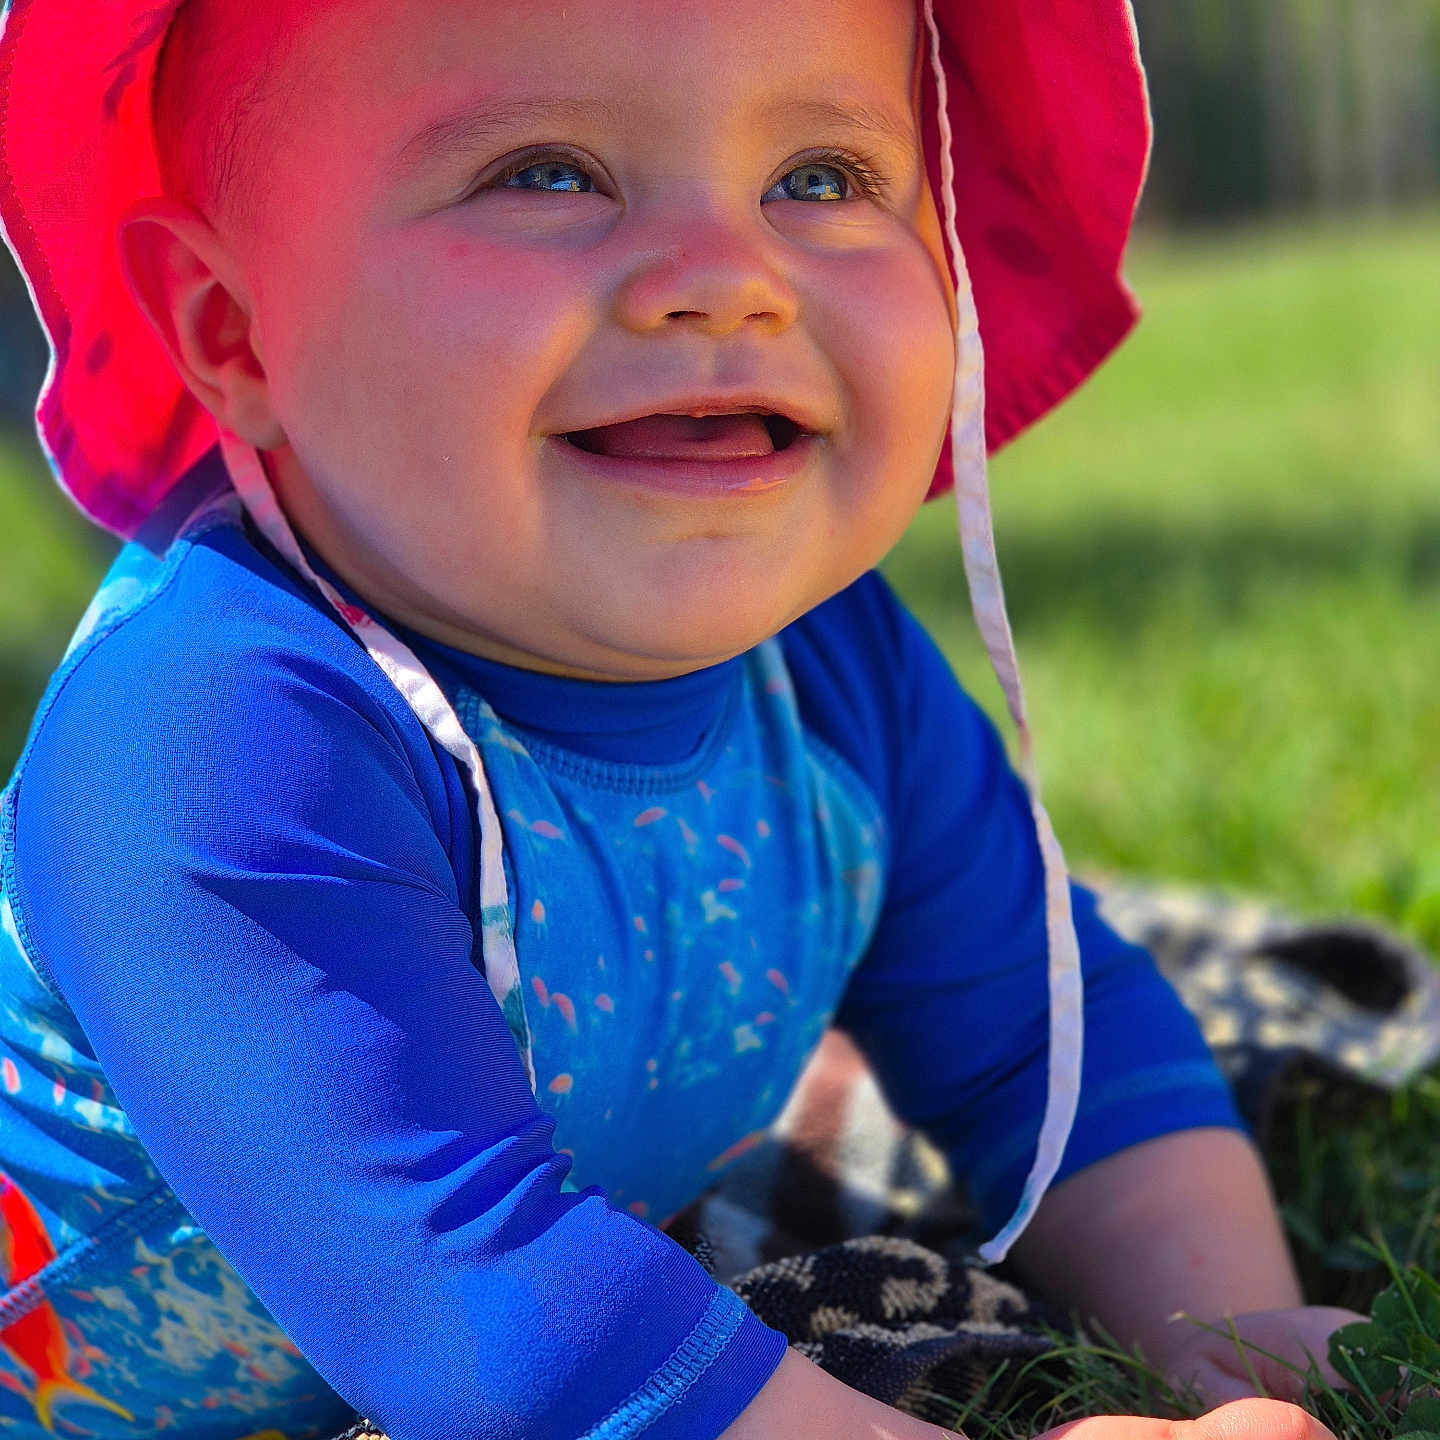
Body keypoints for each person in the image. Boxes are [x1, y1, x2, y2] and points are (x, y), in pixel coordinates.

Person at [0, 1, 1358, 1437]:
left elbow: (1046, 1035)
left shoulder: (833, 669)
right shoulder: (215, 745)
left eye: (820, 180)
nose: (729, 280)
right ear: (233, 329)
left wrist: (1227, 1329)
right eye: (546, 172)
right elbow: (483, 1310)